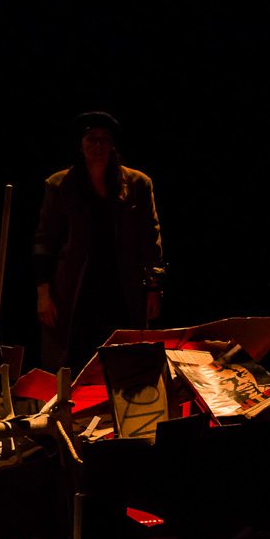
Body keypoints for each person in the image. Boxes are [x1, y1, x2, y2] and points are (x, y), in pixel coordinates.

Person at [32, 111, 166, 372]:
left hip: (122, 288)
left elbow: (151, 239)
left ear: (112, 145)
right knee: (75, 359)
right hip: (76, 289)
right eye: (91, 139)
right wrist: (43, 294)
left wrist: (153, 288)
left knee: (124, 360)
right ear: (80, 144)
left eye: (104, 139)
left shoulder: (137, 184)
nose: (98, 146)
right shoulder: (61, 185)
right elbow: (45, 241)